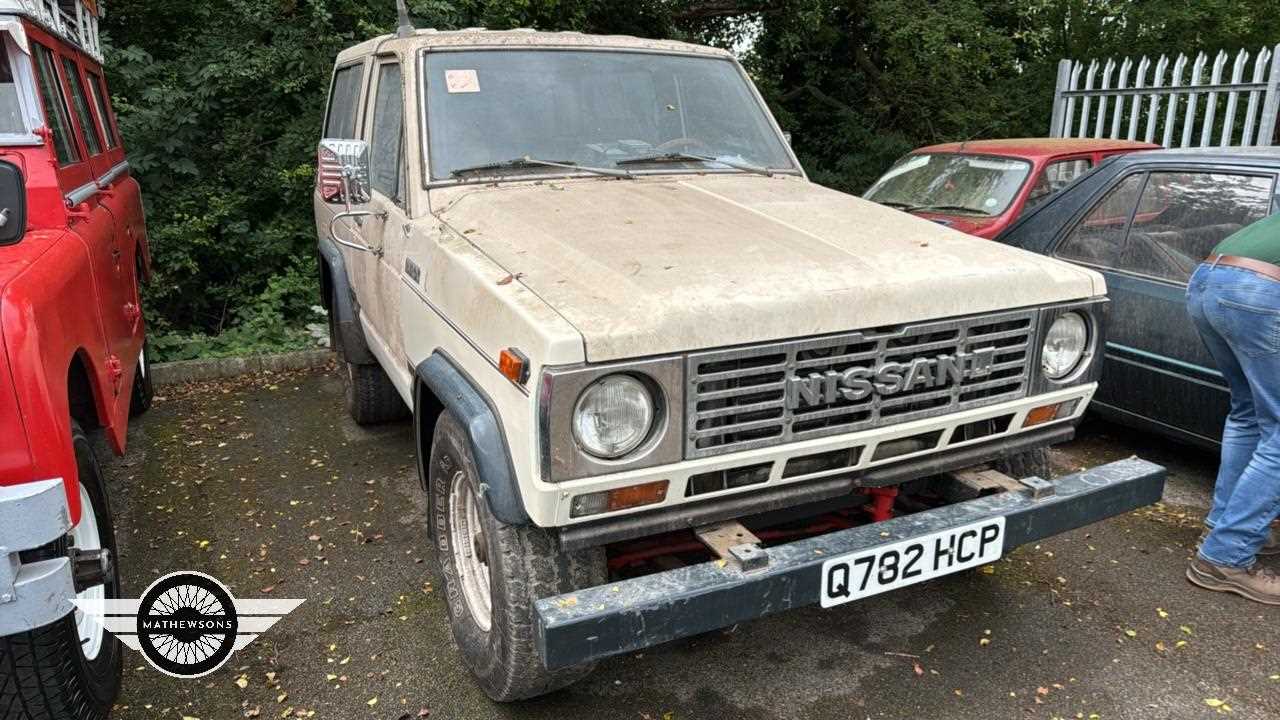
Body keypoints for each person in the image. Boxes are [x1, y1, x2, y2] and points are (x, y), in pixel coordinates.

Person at [1185, 212, 1280, 604]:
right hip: (1259, 290)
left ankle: (1222, 525)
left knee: (1246, 412)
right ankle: (1225, 556)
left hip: (1208, 279)